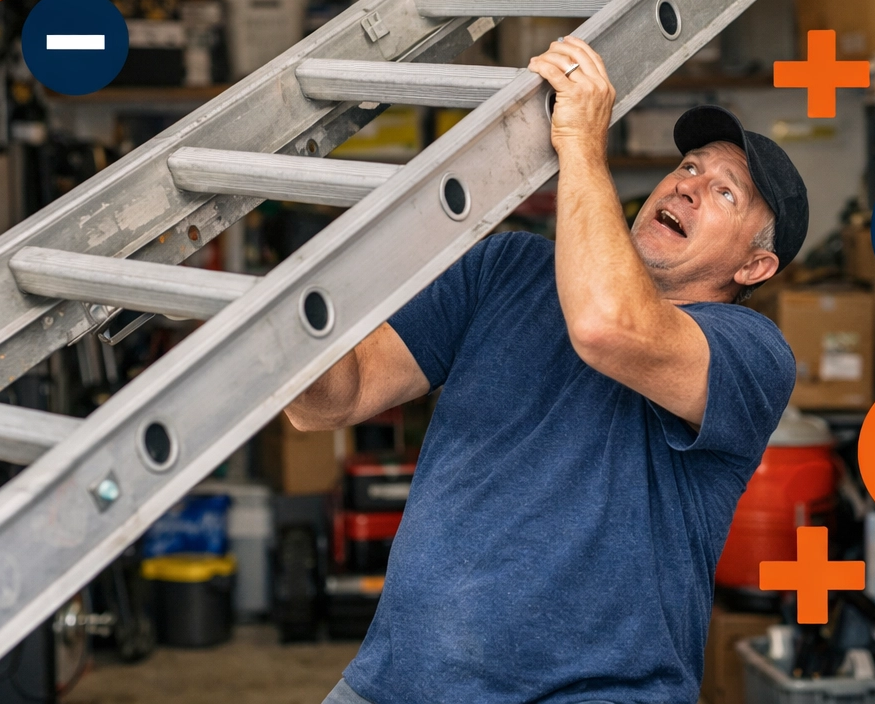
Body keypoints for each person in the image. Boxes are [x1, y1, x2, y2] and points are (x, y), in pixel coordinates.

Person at [290, 36, 810, 704]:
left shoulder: (750, 354)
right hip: (397, 682)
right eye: (688, 165)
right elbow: (333, 400)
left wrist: (580, 143)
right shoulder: (505, 267)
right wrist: (285, 327)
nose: (686, 185)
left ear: (753, 267)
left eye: (724, 193)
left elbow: (605, 326)